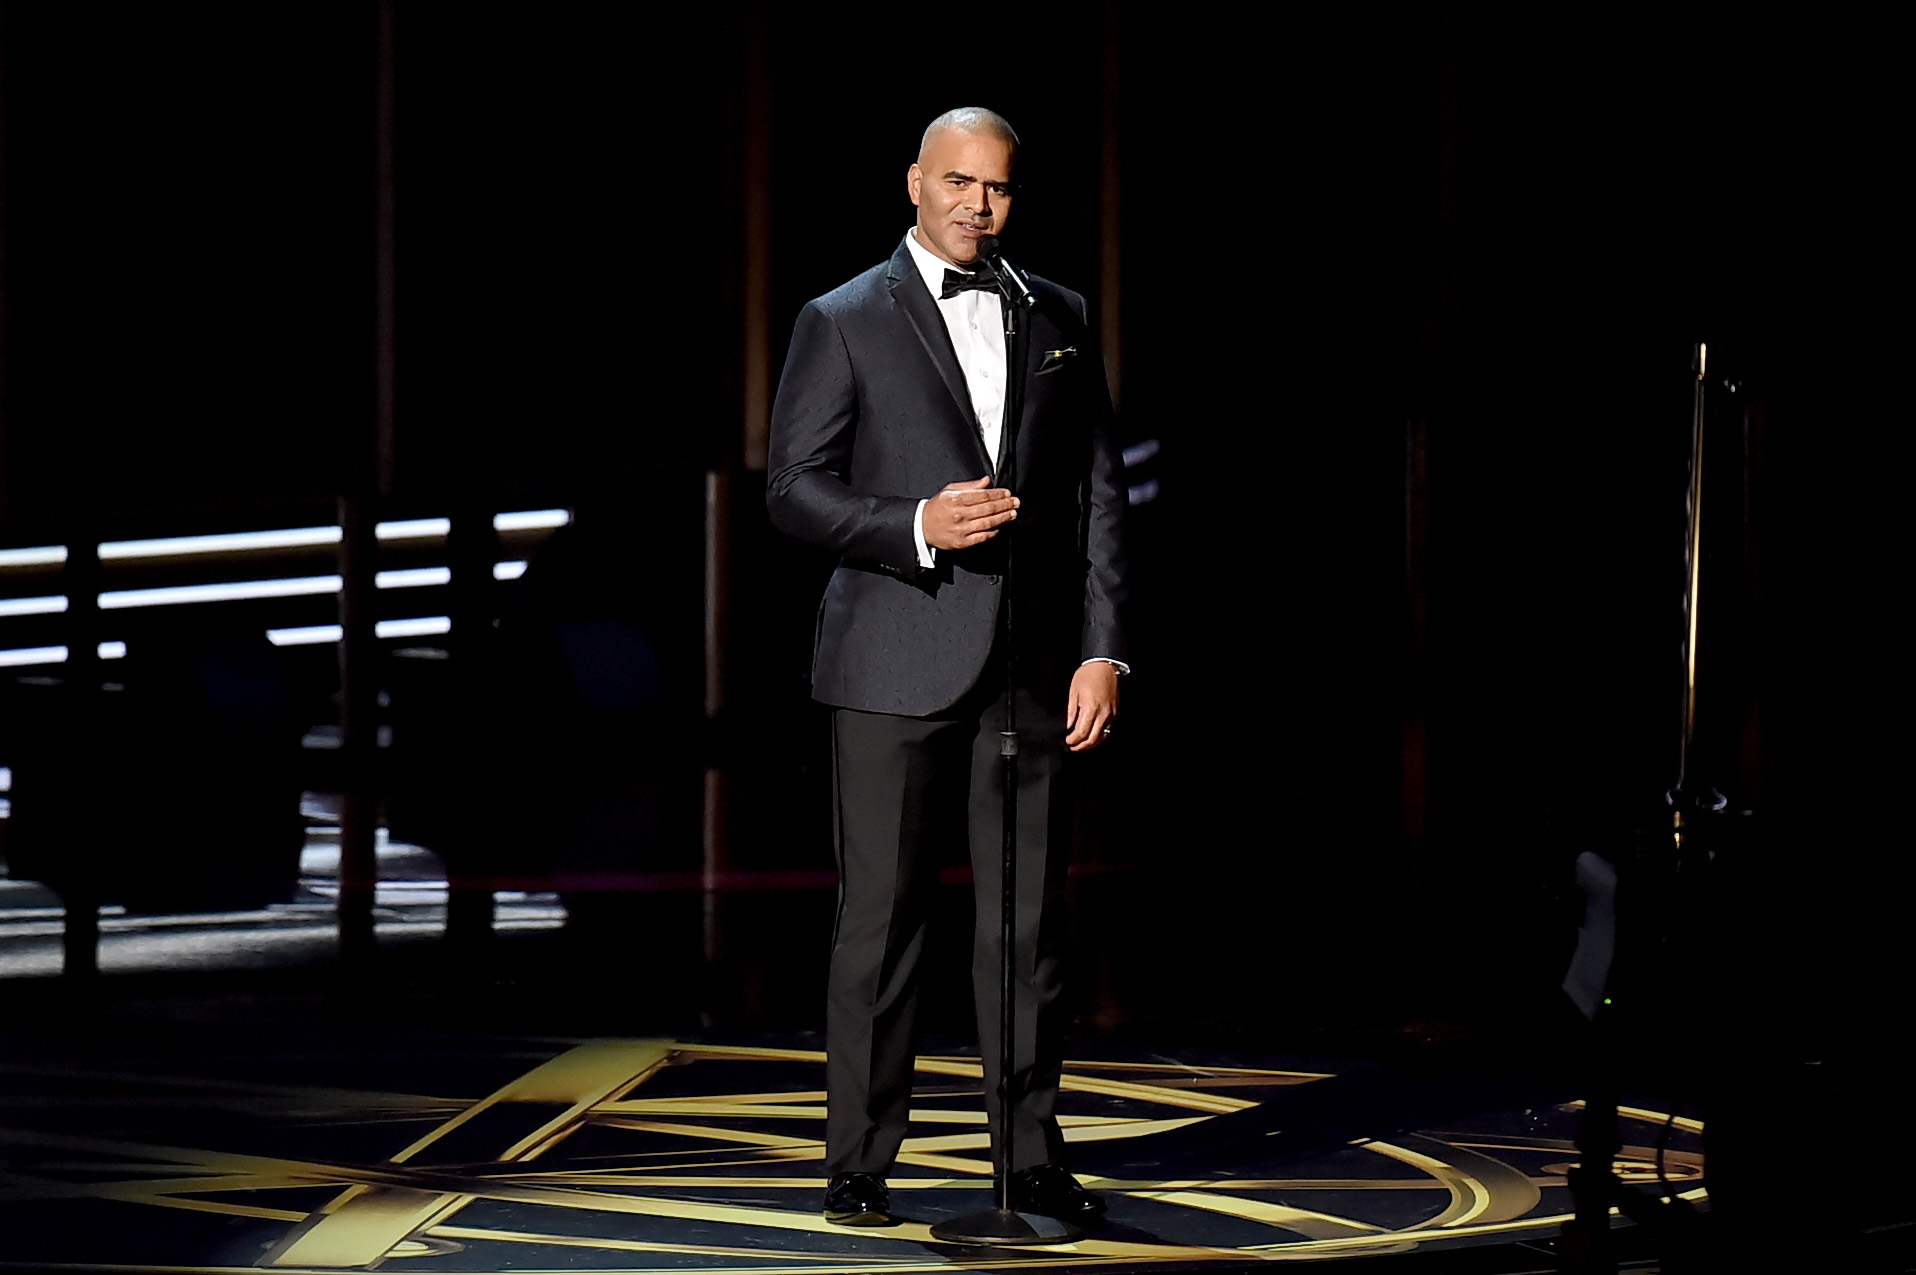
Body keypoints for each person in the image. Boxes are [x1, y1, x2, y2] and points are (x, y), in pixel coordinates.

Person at [766, 106, 1130, 1228]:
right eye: (959, 183)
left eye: (1000, 188)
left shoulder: (1054, 312)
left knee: (1027, 930)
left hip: (1028, 665)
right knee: (879, 926)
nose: (979, 204)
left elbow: (1099, 496)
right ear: (914, 183)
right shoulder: (839, 318)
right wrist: (913, 520)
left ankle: (1027, 1156)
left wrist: (1102, 648)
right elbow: (791, 486)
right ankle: (858, 1163)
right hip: (888, 658)